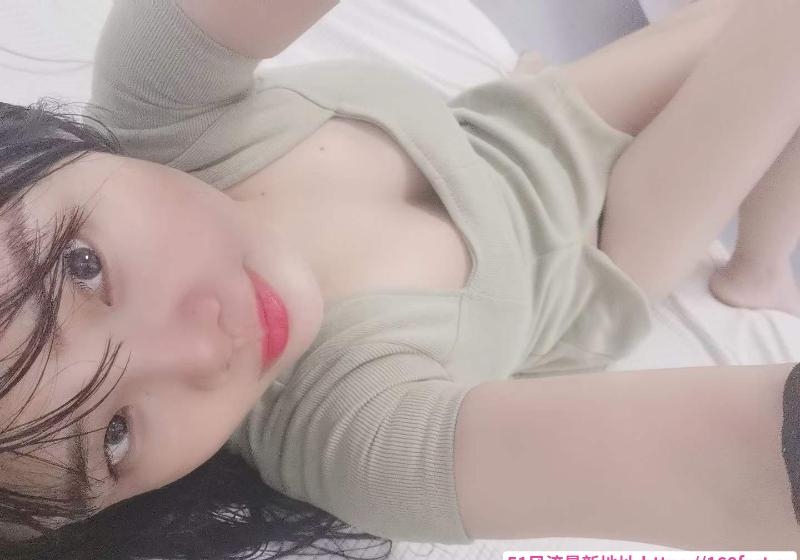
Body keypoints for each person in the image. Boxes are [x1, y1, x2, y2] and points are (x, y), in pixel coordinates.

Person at [2, 0, 800, 558]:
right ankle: (758, 272)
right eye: (116, 436)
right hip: (603, 251)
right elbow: (735, 470)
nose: (206, 351)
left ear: (44, 148)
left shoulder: (159, 100)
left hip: (513, 126)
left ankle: (757, 267)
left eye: (81, 268)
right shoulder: (349, 436)